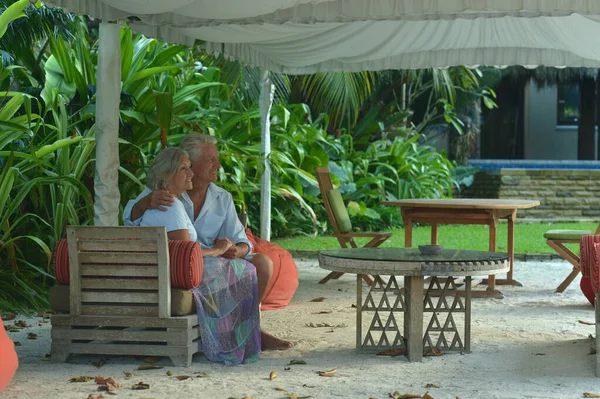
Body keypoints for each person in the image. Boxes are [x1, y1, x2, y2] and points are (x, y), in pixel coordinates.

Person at [123, 134, 292, 353]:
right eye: (211, 159)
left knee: (263, 263)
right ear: (190, 164)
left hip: (212, 260)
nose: (218, 165)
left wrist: (235, 250)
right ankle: (231, 333)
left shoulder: (222, 198)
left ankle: (248, 328)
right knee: (217, 271)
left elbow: (242, 240)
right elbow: (130, 218)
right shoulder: (165, 193)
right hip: (185, 265)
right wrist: (142, 204)